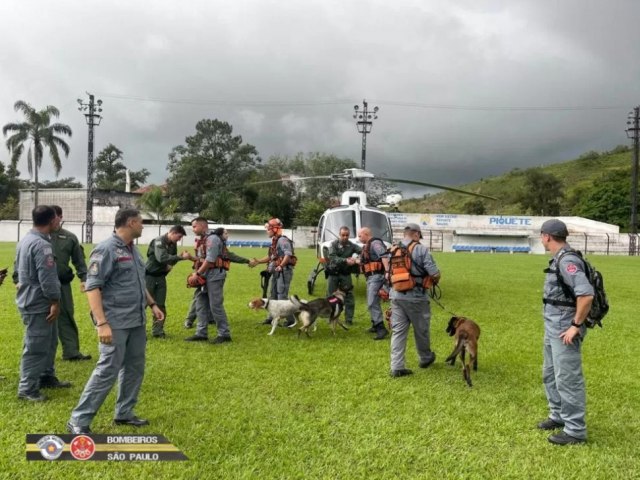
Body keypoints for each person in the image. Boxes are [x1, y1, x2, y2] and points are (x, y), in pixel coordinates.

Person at [67, 209, 164, 434]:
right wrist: (101, 323)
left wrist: (152, 304)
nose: (143, 226)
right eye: (141, 222)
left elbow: (139, 281)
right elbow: (92, 287)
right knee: (107, 369)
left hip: (135, 320)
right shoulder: (106, 249)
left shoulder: (133, 249)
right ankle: (78, 420)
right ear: (130, 223)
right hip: (115, 321)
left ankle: (124, 412)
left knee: (134, 367)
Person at [537, 219, 593, 445]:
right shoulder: (560, 258)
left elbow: (586, 294)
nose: (542, 239)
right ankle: (558, 415)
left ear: (547, 236)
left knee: (568, 378)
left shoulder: (567, 261)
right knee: (550, 374)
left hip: (564, 330)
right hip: (553, 328)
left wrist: (575, 325)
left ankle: (575, 430)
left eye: (542, 236)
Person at [14, 205, 69, 402]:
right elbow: (47, 278)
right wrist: (55, 301)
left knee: (50, 340)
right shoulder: (41, 245)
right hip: (38, 302)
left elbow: (16, 270)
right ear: (52, 220)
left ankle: (46, 375)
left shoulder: (27, 239)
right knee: (36, 345)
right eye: (57, 218)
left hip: (32, 298)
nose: (59, 222)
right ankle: (27, 388)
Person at [185, 221, 252, 344]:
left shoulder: (212, 239)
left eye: (194, 226)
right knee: (200, 304)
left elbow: (210, 259)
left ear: (203, 226)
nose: (193, 229)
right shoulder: (202, 240)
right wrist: (193, 264)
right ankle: (201, 333)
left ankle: (224, 334)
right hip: (204, 274)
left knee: (215, 305)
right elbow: (201, 259)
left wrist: (197, 274)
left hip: (214, 275)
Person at [388, 223, 441, 377]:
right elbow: (433, 272)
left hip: (396, 295)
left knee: (398, 331)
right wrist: (436, 279)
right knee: (421, 330)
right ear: (416, 234)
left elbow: (388, 273)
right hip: (416, 297)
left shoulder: (394, 249)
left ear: (405, 234)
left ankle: (396, 367)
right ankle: (425, 358)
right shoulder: (421, 249)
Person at [50, 205, 92, 361]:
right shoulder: (39, 236)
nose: (52, 220)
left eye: (54, 216)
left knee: (66, 314)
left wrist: (84, 278)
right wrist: (17, 279)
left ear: (61, 217)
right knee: (41, 318)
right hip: (40, 285)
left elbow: (79, 260)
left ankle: (71, 352)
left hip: (62, 284)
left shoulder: (69, 237)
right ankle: (41, 353)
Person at [145, 225, 192, 338]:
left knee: (160, 304)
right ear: (173, 232)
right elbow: (162, 258)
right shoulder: (158, 241)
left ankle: (158, 331)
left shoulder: (173, 244)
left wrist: (176, 259)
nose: (179, 239)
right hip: (149, 277)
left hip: (161, 277)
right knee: (143, 304)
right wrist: (181, 258)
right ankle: (138, 332)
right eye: (179, 236)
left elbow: (171, 260)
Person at [252, 218, 297, 327]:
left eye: (268, 229)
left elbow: (288, 254)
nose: (267, 231)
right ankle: (271, 318)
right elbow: (270, 257)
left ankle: (290, 320)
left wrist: (281, 266)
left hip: (284, 271)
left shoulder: (282, 240)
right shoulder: (274, 240)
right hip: (277, 271)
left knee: (282, 296)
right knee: (272, 295)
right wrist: (258, 261)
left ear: (275, 229)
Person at [357, 227, 390, 340]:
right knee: (371, 301)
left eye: (360, 236)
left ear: (366, 234)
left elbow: (384, 256)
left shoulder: (375, 243)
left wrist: (387, 271)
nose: (359, 238)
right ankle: (375, 324)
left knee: (372, 302)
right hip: (371, 277)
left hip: (377, 276)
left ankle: (381, 328)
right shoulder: (367, 245)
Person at [326, 226, 361, 325]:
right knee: (330, 296)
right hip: (333, 274)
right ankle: (331, 317)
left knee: (349, 296)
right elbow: (332, 257)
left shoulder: (352, 245)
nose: (345, 237)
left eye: (347, 235)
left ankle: (349, 319)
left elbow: (362, 251)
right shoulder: (333, 244)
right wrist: (346, 260)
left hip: (345, 274)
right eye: (343, 235)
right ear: (339, 235)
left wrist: (357, 259)